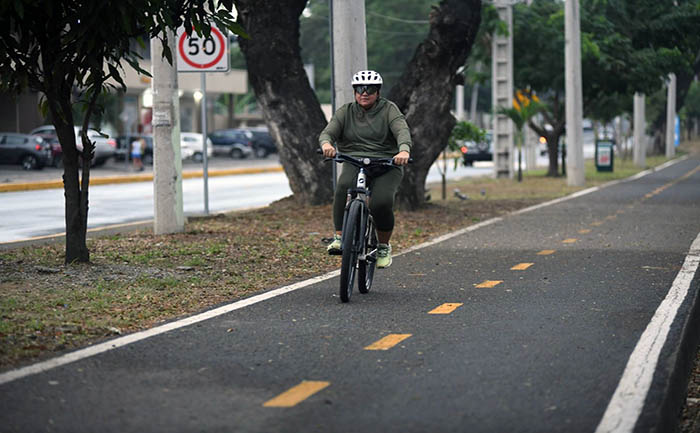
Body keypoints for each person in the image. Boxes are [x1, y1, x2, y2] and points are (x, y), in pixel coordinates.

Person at [319, 70, 412, 269]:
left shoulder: (389, 110)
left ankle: (383, 246)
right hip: (355, 160)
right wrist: (327, 144)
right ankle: (339, 236)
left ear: (377, 92)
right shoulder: (346, 111)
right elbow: (329, 132)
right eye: (360, 89)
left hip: (387, 163)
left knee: (381, 202)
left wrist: (403, 151)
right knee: (343, 187)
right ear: (354, 92)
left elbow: (401, 130)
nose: (364, 93)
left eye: (370, 89)